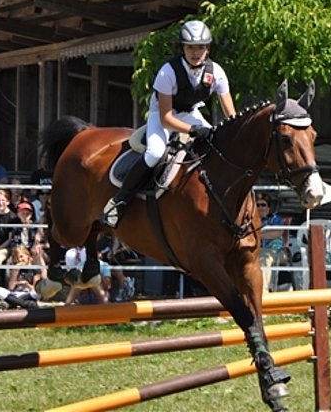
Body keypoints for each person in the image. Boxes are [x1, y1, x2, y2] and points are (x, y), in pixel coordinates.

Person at [100, 20, 237, 228]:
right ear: (183, 48)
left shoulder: (216, 72)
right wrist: (192, 130)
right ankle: (119, 200)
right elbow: (166, 118)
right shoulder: (168, 72)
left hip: (191, 113)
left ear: (207, 49)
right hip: (163, 116)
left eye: (200, 47)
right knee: (155, 152)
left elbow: (230, 114)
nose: (195, 52)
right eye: (190, 47)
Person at [0, 245, 41, 310]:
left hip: (29, 293)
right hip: (15, 294)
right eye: (17, 258)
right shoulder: (15, 268)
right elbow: (11, 287)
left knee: (38, 292)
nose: (20, 260)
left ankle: (13, 303)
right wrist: (15, 272)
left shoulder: (35, 268)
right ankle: (26, 304)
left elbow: (35, 288)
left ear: (27, 255)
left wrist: (27, 285)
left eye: (21, 256)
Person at [256, 193, 287, 293]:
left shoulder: (275, 219)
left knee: (264, 257)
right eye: (258, 205)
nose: (260, 207)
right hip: (256, 251)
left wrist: (255, 235)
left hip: (277, 251)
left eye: (263, 204)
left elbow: (277, 233)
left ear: (268, 207)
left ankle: (263, 293)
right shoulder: (250, 221)